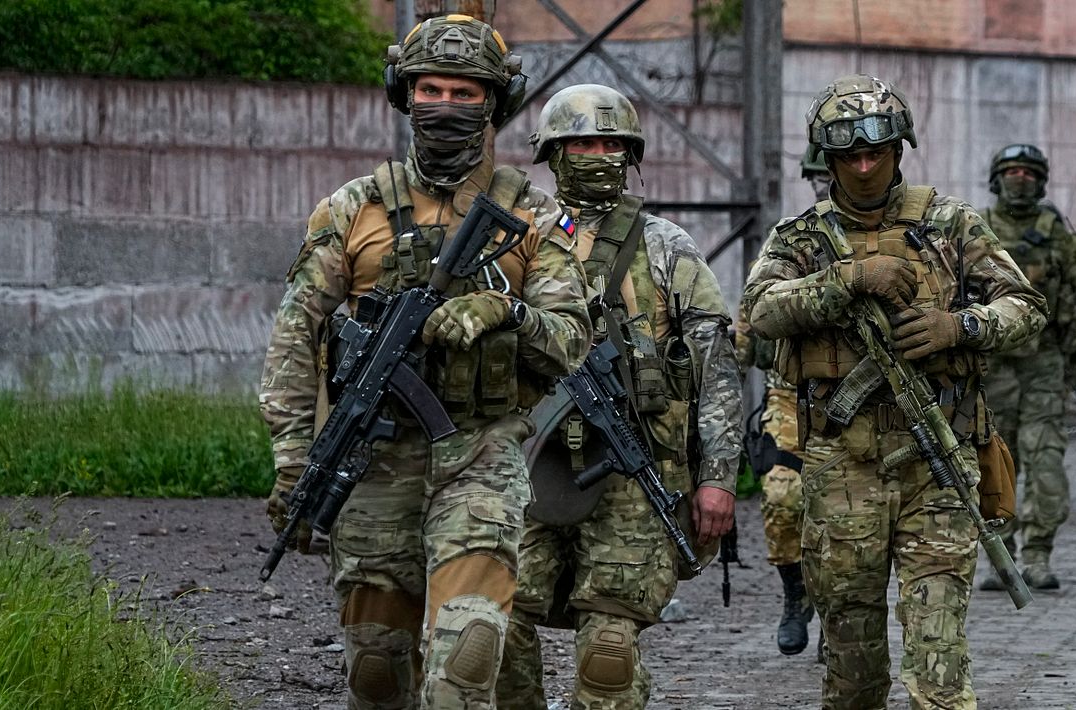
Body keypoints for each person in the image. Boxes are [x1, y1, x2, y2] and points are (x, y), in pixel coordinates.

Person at [259, 15, 591, 708]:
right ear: (403, 94)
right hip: (372, 465)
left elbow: (570, 339)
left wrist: (507, 312)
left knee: (465, 663)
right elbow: (295, 337)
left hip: (480, 455)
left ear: (494, 102)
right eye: (430, 89)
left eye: (464, 93)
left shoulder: (535, 216)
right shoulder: (352, 209)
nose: (445, 105)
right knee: (376, 675)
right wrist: (292, 459)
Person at [742, 73, 1047, 709]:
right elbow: (760, 313)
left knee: (940, 663)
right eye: (848, 155)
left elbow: (1026, 306)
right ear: (827, 158)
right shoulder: (800, 238)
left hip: (936, 462)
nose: (863, 167)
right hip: (841, 468)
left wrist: (960, 326)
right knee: (852, 669)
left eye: (875, 152)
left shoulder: (951, 224)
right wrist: (848, 280)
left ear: (898, 148)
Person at [494, 83, 744, 710]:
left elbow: (715, 368)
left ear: (630, 155)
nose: (597, 156)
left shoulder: (665, 246)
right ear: (554, 153)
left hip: (634, 471)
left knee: (608, 651)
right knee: (492, 627)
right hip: (527, 463)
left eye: (611, 145)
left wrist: (718, 477)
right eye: (582, 143)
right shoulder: (518, 239)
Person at [977, 144, 1076, 591]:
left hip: (1044, 365)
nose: (1020, 179)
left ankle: (1039, 554)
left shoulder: (1059, 238)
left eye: (1028, 172)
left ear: (1041, 182)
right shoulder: (975, 230)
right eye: (1012, 171)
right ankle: (1002, 556)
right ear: (997, 179)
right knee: (996, 462)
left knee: (1045, 458)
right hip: (992, 366)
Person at [732, 144, 831, 658]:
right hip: (790, 398)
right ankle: (796, 593)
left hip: (859, 403)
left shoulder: (883, 239)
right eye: (818, 177)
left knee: (847, 514)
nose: (825, 185)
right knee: (782, 497)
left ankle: (839, 618)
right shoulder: (788, 241)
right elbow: (748, 323)